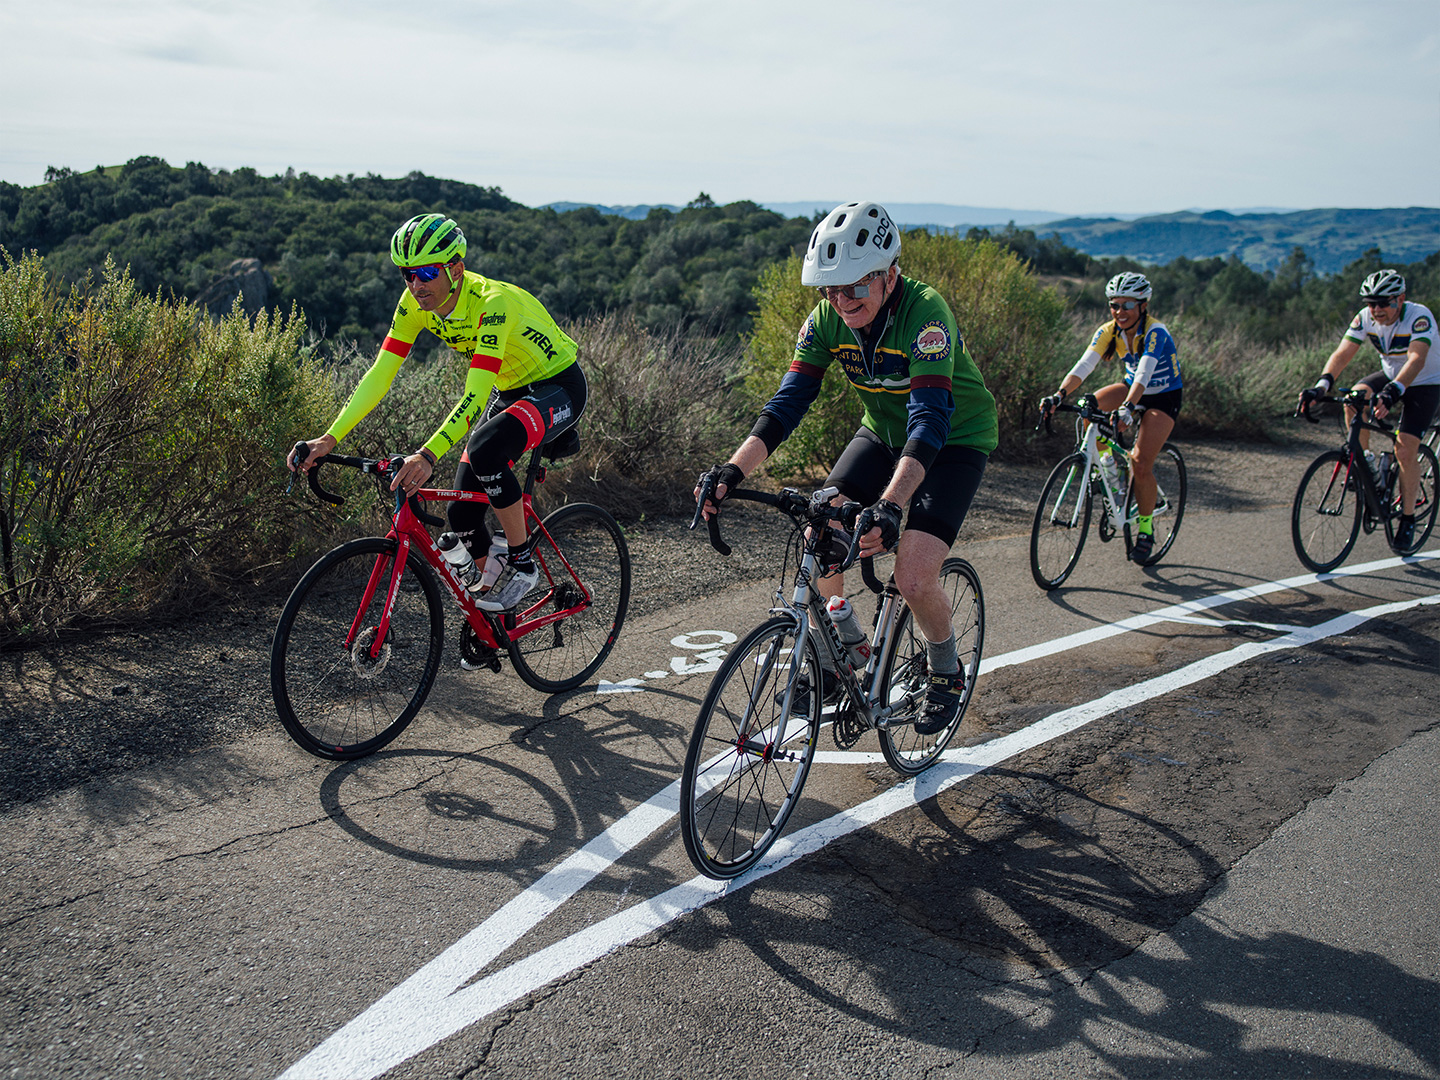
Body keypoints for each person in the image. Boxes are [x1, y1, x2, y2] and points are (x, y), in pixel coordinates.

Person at [696, 200, 998, 736]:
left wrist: (890, 505)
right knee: (819, 525)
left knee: (911, 572)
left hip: (952, 441)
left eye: (855, 287)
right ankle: (840, 655)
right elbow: (787, 403)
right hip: (882, 434)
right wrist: (733, 471)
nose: (842, 300)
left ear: (889, 275)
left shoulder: (926, 314)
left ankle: (946, 669)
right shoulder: (826, 320)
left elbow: (929, 422)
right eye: (830, 289)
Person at [288, 213, 587, 615]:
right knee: (461, 511)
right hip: (513, 390)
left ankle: (522, 561)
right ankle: (492, 613)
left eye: (427, 272)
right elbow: (379, 375)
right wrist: (329, 438)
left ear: (456, 269)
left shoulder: (491, 304)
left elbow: (476, 394)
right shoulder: (414, 304)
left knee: (485, 452)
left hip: (557, 386)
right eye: (407, 274)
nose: (416, 284)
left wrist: (428, 456)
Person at [1038, 271, 1183, 564]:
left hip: (1162, 396)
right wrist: (1059, 395)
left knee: (1141, 464)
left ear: (1143, 305)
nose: (1120, 312)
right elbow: (1085, 364)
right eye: (1114, 305)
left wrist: (1129, 408)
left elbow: (1144, 372)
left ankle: (1145, 530)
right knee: (1088, 406)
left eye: (1127, 305)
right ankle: (1109, 473)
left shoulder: (1156, 332)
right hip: (1130, 388)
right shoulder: (1109, 330)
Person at [1298, 268, 1437, 552]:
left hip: (1425, 381)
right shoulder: (1365, 318)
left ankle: (1408, 519)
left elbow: (1416, 359)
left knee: (1405, 450)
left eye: (1383, 302)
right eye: (1371, 303)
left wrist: (1394, 392)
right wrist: (1321, 386)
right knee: (1353, 398)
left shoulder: (1419, 317)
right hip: (1390, 375)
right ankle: (1367, 464)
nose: (1376, 309)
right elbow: (1343, 353)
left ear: (1401, 299)